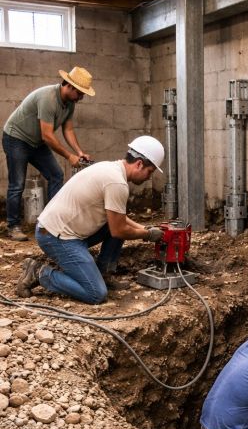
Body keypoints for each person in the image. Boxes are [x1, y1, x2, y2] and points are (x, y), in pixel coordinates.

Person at [15, 136, 165, 305]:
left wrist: (145, 228)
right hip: (54, 236)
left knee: (114, 223)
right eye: (149, 172)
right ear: (139, 163)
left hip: (59, 229)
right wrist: (147, 235)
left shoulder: (111, 168)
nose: (148, 177)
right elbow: (119, 230)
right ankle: (39, 273)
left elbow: (118, 219)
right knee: (96, 294)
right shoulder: (117, 183)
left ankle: (103, 274)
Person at [2, 66, 95, 241]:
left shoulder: (69, 104)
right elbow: (47, 136)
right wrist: (69, 156)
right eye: (80, 93)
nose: (82, 97)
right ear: (69, 86)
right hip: (16, 138)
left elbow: (68, 130)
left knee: (56, 175)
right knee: (17, 184)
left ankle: (50, 223)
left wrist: (79, 152)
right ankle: (13, 226)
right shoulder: (48, 98)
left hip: (36, 142)